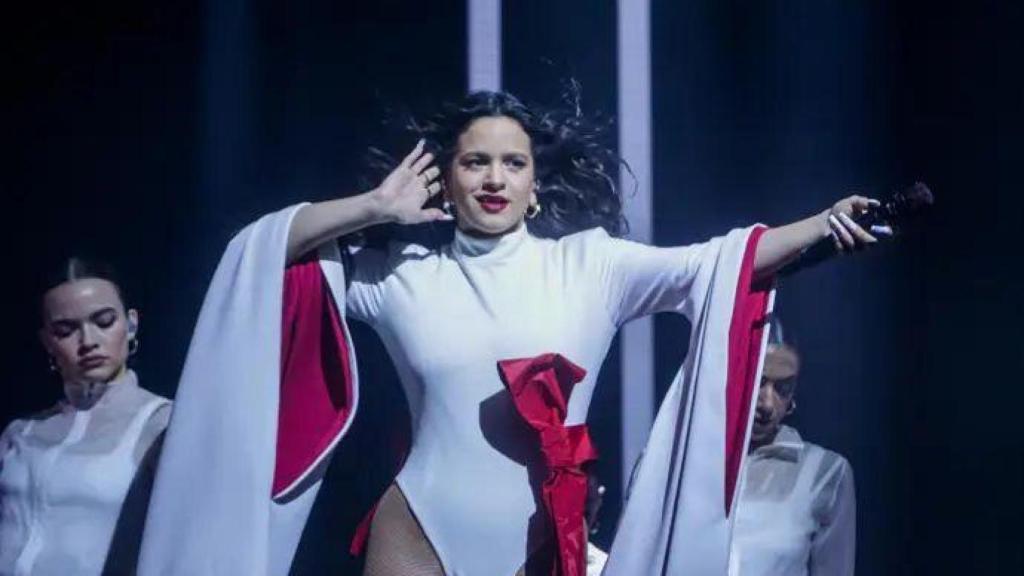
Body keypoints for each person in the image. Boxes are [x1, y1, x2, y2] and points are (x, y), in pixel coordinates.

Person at [138, 91, 885, 576]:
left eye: (512, 162)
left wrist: (825, 223)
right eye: (476, 161)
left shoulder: (592, 265)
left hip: (540, 541)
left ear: (533, 185)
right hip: (417, 529)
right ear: (449, 178)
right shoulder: (399, 273)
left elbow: (727, 260)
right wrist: (373, 206)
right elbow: (265, 257)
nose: (494, 176)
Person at [0, 258, 171, 575]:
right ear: (47, 342)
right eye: (66, 330)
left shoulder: (163, 425)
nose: (88, 341)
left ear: (130, 324)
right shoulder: (20, 433)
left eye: (104, 321)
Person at [730, 321, 856, 576]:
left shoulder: (825, 472)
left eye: (782, 389)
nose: (767, 403)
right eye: (758, 381)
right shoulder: (677, 466)